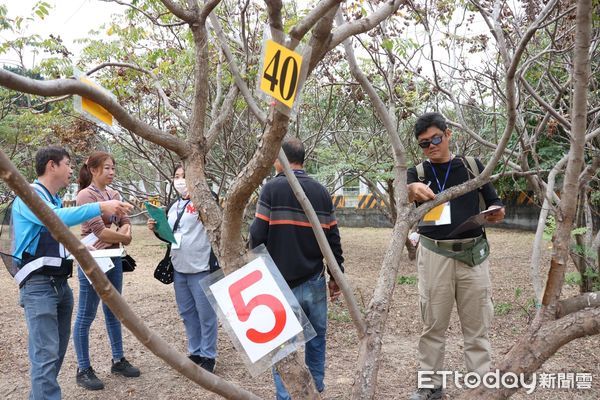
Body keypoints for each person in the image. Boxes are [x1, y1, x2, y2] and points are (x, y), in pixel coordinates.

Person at [11, 146, 131, 400]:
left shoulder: (51, 199)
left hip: (60, 285)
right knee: (45, 357)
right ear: (52, 165)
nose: (72, 170)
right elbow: (53, 218)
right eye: (67, 163)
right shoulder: (28, 196)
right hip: (39, 287)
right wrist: (100, 207)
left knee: (53, 356)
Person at [406, 112, 505, 400]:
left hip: (473, 255)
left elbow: (494, 200)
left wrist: (498, 211)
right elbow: (404, 199)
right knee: (432, 326)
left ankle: (481, 387)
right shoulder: (417, 173)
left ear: (448, 134)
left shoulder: (472, 167)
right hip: (434, 255)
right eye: (424, 143)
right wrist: (409, 189)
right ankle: (430, 386)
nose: (431, 146)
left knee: (477, 328)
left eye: (436, 138)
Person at [249, 137, 344, 399]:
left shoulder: (272, 189)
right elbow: (333, 239)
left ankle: (286, 396)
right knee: (317, 340)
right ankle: (316, 389)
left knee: (283, 347)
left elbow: (258, 234)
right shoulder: (321, 192)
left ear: (279, 160)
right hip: (314, 280)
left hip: (278, 283)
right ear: (302, 159)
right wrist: (336, 277)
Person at [73, 151, 140, 390]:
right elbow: (100, 232)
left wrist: (125, 234)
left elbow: (126, 222)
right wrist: (125, 237)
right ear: (93, 170)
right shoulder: (84, 196)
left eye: (113, 168)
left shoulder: (114, 194)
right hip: (92, 261)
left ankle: (118, 360)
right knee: (86, 314)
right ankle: (83, 368)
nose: (111, 172)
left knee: (115, 310)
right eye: (107, 168)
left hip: (113, 258)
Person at [147, 165, 218, 373]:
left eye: (184, 176)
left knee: (206, 314)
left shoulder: (206, 200)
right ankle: (195, 351)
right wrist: (157, 229)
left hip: (202, 266)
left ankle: (208, 355)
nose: (179, 180)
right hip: (179, 267)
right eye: (177, 176)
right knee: (187, 313)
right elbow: (172, 237)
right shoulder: (174, 205)